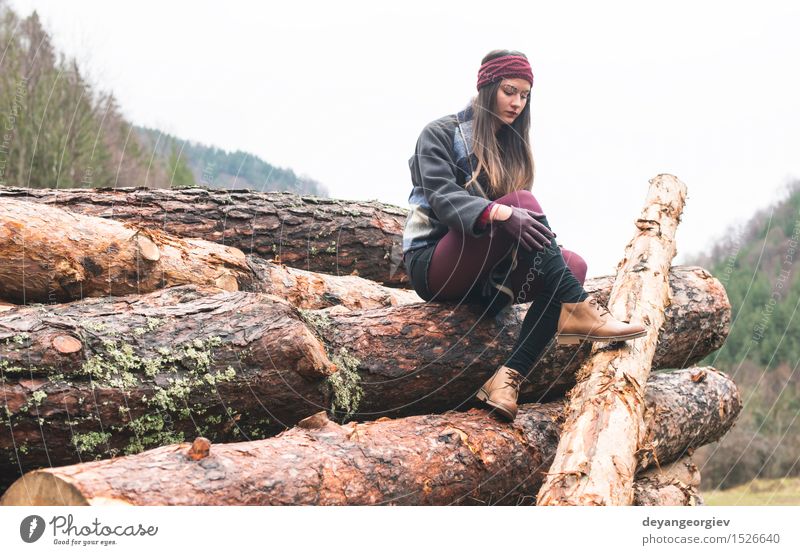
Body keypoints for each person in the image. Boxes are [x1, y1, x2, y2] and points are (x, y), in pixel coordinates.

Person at [401, 49, 647, 422]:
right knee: (522, 202)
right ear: (487, 88)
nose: (517, 103)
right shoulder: (440, 133)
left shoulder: (512, 148)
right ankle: (579, 309)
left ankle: (508, 377)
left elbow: (520, 232)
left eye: (525, 95)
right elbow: (442, 198)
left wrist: (538, 243)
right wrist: (500, 211)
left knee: (573, 264)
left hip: (485, 276)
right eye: (509, 91)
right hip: (434, 263)